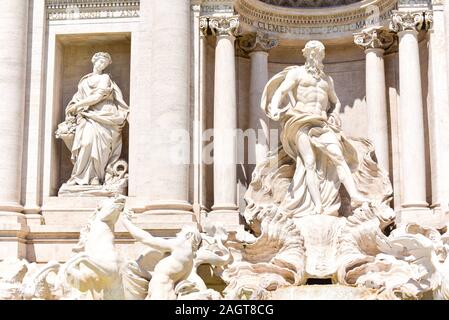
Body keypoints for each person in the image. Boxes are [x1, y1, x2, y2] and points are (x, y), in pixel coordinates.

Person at [262, 40, 369, 215]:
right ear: (306, 54)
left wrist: (334, 113)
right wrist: (274, 107)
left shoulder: (327, 80)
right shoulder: (297, 74)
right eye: (313, 53)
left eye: (319, 53)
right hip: (300, 121)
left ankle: (355, 195)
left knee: (339, 157)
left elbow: (335, 101)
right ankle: (317, 205)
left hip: (321, 123)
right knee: (309, 162)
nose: (315, 57)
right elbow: (281, 91)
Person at [58, 52, 129, 186]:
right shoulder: (84, 80)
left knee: (101, 148)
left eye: (105, 63)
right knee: (86, 143)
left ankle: (96, 177)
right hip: (86, 116)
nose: (102, 65)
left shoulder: (105, 78)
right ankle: (79, 177)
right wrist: (73, 106)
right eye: (100, 62)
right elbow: (78, 97)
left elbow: (97, 97)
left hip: (104, 114)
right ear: (94, 61)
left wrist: (78, 105)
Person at [121, 210, 202, 300]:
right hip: (162, 293)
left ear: (188, 235)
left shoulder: (180, 246)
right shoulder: (189, 261)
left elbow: (146, 239)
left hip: (160, 294)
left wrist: (126, 222)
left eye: (181, 233)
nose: (177, 234)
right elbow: (164, 275)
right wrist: (140, 272)